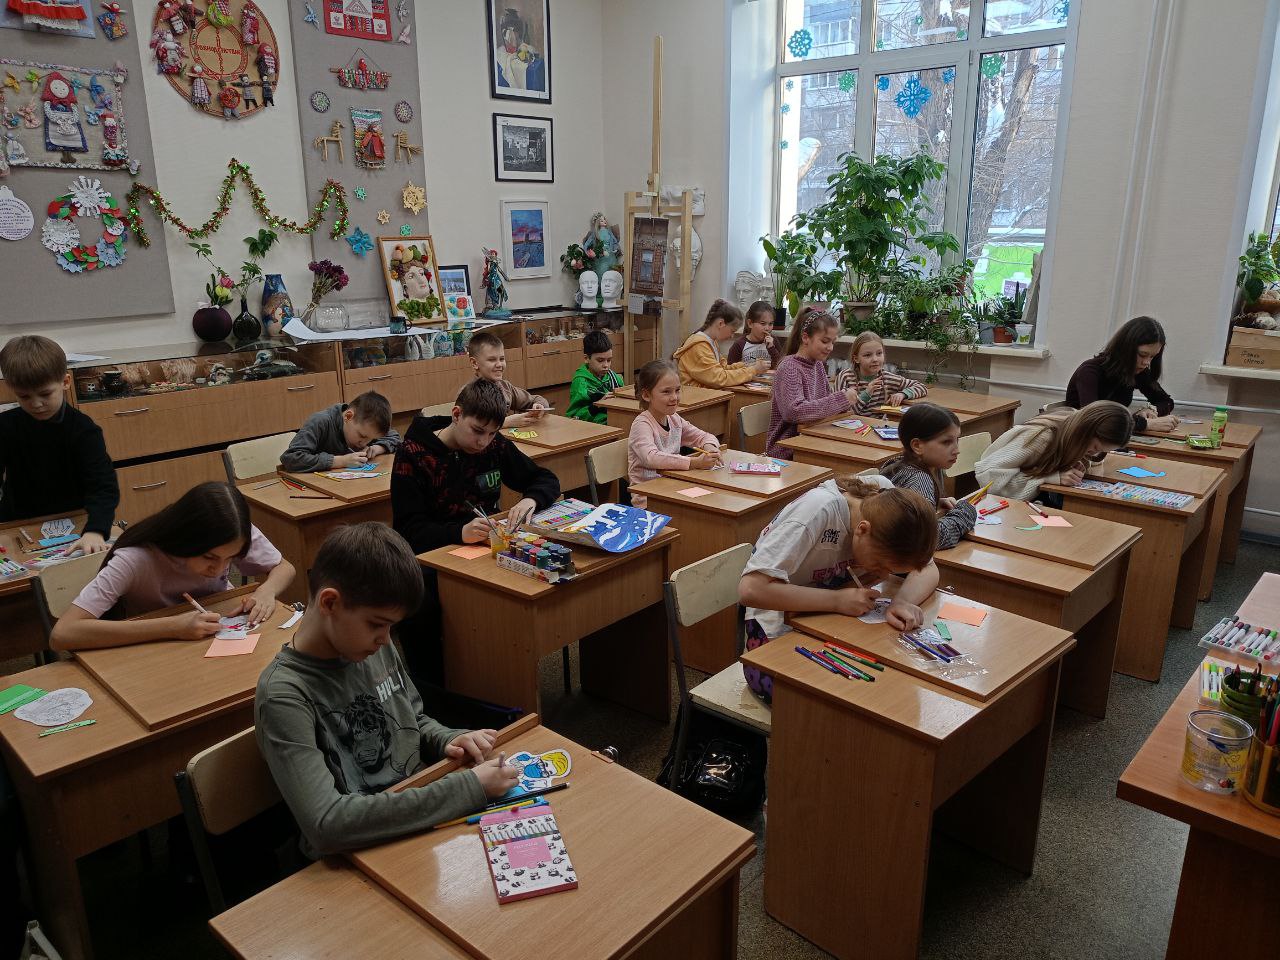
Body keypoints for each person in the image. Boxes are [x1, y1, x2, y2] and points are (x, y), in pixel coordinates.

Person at [255, 522, 519, 859]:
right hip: (357, 854)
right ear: (330, 603)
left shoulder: (369, 644)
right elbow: (327, 824)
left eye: (391, 627)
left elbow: (412, 719)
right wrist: (469, 787)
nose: (386, 639)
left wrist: (447, 739)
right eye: (377, 624)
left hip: (415, 815)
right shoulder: (283, 695)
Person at [391, 380, 559, 687]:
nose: (483, 442)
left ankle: (495, 682)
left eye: (493, 433)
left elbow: (544, 478)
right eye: (478, 431)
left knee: (533, 580)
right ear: (456, 415)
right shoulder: (412, 454)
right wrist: (459, 532)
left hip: (483, 549)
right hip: (430, 558)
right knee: (423, 605)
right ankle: (432, 693)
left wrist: (530, 499)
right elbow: (408, 530)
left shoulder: (493, 444)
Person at [738, 476, 940, 704]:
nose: (884, 575)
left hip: (830, 623)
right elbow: (751, 589)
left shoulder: (886, 500)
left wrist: (902, 601)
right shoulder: (816, 512)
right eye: (880, 564)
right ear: (862, 530)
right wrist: (836, 600)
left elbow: (928, 568)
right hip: (776, 629)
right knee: (843, 698)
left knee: (889, 688)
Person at [50, 482, 295, 651]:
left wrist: (267, 591)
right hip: (155, 647)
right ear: (186, 538)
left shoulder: (233, 534)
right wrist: (172, 627)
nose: (220, 569)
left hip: (212, 635)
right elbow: (63, 633)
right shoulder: (134, 560)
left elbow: (284, 567)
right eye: (209, 558)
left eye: (231, 559)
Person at [0, 335, 119, 556]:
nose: (36, 404)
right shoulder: (5, 426)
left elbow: (103, 486)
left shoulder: (83, 430)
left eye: (45, 394)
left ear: (65, 382)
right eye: (24, 397)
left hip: (75, 521)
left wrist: (95, 530)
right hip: (19, 521)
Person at [975, 401, 1133, 503]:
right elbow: (991, 481)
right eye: (1095, 448)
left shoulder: (1072, 430)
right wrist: (1048, 478)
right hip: (994, 508)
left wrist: (1074, 463)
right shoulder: (1042, 437)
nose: (1092, 454)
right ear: (1086, 430)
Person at [627, 360, 721, 508]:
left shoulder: (674, 419)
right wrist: (694, 463)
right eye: (666, 392)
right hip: (649, 501)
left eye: (677, 390)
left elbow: (703, 436)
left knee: (712, 502)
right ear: (646, 395)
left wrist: (710, 448)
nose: (674, 397)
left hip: (674, 490)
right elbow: (651, 458)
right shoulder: (642, 424)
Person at [881, 403, 976, 549]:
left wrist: (934, 501)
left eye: (957, 440)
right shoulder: (920, 479)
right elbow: (926, 540)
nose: (957, 450)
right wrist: (965, 514)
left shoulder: (900, 464)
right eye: (946, 442)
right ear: (917, 446)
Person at [766, 307, 856, 460]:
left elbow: (824, 406)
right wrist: (841, 400)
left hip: (813, 441)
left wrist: (844, 403)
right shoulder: (789, 367)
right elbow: (794, 412)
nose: (830, 348)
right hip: (788, 451)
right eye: (825, 341)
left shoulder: (817, 365)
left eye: (833, 342)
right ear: (806, 338)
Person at [1065, 315, 1179, 433]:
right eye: (1142, 355)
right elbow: (1094, 419)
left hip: (1111, 437)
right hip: (1083, 438)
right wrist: (1145, 424)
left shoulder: (1137, 371)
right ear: (1126, 348)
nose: (1146, 362)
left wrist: (1151, 410)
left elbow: (1166, 402)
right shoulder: (1089, 371)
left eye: (1152, 356)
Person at [280, 390, 400, 473]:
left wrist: (377, 448)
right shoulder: (320, 422)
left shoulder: (367, 425)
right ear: (348, 416)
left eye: (371, 439)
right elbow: (291, 458)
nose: (364, 443)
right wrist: (341, 461)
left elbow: (395, 438)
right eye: (362, 436)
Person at [673, 299, 769, 389]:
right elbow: (719, 378)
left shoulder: (711, 342)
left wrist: (748, 365)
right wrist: (753, 370)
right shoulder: (699, 346)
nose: (732, 336)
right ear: (721, 324)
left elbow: (723, 368)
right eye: (732, 331)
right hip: (697, 398)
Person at [465, 331, 549, 429]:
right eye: (492, 360)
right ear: (474, 363)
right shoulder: (467, 393)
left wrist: (539, 406)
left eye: (501, 359)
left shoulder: (505, 387)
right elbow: (469, 426)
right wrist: (505, 422)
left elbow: (537, 399)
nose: (499, 364)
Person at [835, 331, 927, 415]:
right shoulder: (845, 377)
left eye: (879, 353)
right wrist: (866, 394)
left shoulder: (887, 378)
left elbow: (921, 387)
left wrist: (903, 394)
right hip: (848, 426)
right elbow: (838, 412)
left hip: (877, 425)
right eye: (867, 355)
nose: (875, 359)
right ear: (856, 359)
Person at [566, 329, 623, 424]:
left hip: (616, 420)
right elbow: (574, 417)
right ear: (586, 358)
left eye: (609, 360)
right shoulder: (581, 382)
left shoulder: (614, 377)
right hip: (593, 426)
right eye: (600, 360)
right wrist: (596, 406)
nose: (606, 365)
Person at [726, 300, 782, 370]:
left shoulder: (773, 341)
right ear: (750, 323)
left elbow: (781, 367)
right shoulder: (739, 344)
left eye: (770, 324)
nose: (767, 328)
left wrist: (771, 348)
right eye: (763, 323)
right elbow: (730, 371)